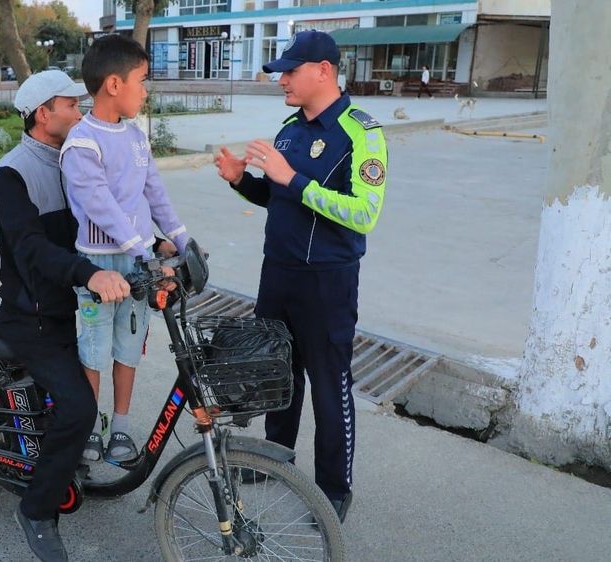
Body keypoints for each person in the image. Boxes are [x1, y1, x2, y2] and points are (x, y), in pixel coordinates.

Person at [213, 30, 388, 522]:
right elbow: (277, 197)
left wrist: (292, 177)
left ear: (323, 71)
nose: (282, 80)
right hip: (279, 273)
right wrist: (241, 180)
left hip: (327, 280)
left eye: (290, 71)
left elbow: (364, 213)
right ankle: (276, 458)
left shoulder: (362, 132)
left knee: (329, 386)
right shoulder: (290, 129)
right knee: (277, 372)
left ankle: (333, 489)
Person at [0, 69, 133, 562]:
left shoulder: (77, 156)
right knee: (78, 409)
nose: (81, 110)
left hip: (72, 309)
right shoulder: (13, 173)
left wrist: (157, 243)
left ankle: (63, 464)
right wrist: (88, 274)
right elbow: (30, 248)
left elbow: (112, 214)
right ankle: (36, 511)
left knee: (77, 402)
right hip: (32, 317)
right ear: (42, 113)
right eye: (70, 104)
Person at [60, 34, 189, 465]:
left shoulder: (135, 137)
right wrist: (142, 250)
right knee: (94, 350)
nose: (145, 90)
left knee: (129, 346)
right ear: (114, 85)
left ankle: (121, 426)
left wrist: (184, 239)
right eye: (141, 80)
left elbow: (155, 192)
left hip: (139, 262)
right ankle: (92, 427)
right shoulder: (82, 142)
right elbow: (101, 206)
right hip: (100, 266)